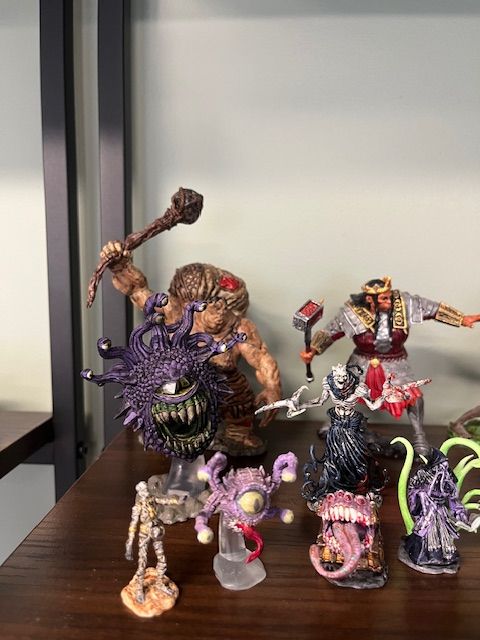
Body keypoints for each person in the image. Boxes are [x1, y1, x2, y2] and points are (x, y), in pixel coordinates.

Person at [100, 241, 281, 456]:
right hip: (181, 387)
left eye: (222, 303)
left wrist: (272, 388)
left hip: (227, 388)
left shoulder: (239, 326)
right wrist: (121, 267)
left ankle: (236, 434)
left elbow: (261, 359)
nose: (219, 309)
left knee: (239, 400)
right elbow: (139, 291)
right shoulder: (178, 313)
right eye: (212, 303)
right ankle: (172, 433)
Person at [300, 276, 480, 453]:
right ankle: (334, 422)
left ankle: (419, 436)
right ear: (370, 299)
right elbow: (330, 332)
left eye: (389, 296)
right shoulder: (352, 312)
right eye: (384, 298)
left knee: (413, 396)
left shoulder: (403, 303)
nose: (389, 300)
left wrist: (461, 319)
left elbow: (433, 309)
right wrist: (313, 350)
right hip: (362, 360)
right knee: (345, 391)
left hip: (395, 361)